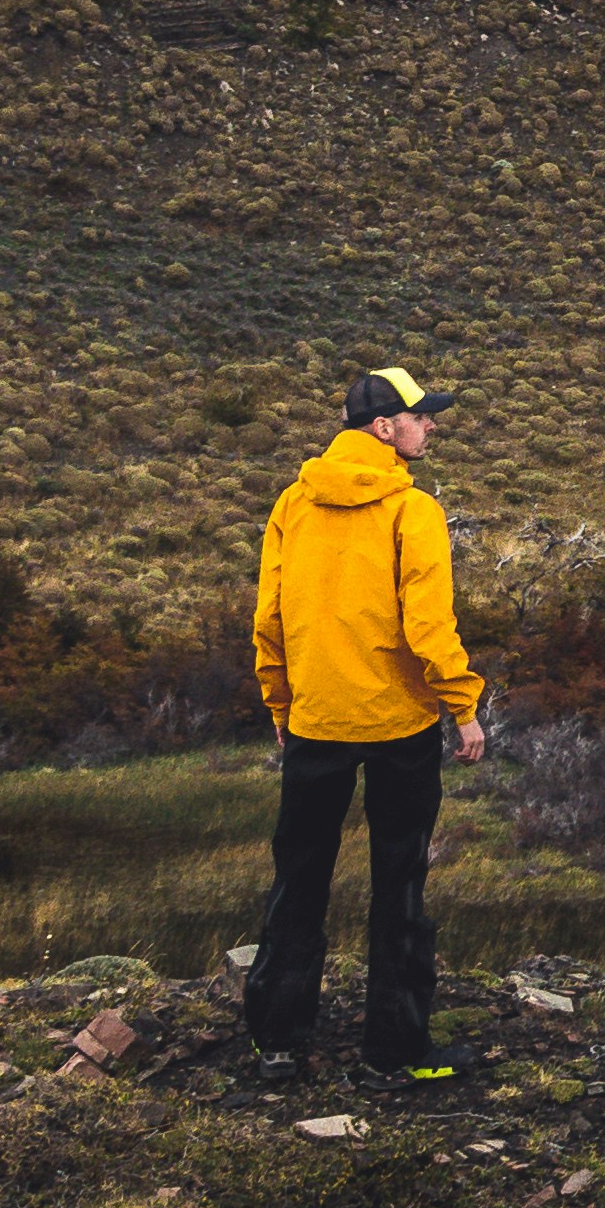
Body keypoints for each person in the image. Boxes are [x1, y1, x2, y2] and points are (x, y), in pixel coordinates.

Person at [243, 364, 485, 1084]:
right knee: (399, 884)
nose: (432, 425)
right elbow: (428, 624)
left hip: (315, 725)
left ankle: (278, 1043)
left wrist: (282, 706)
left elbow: (269, 620)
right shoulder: (414, 511)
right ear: (385, 427)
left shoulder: (293, 502)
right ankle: (394, 1052)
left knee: (299, 880)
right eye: (422, 416)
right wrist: (463, 706)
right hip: (399, 729)